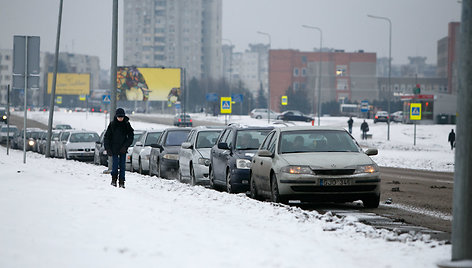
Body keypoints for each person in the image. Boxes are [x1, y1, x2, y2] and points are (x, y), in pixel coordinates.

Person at [104, 108, 134, 188]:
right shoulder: (112, 124)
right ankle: (114, 180)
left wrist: (125, 146)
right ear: (116, 116)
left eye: (122, 117)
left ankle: (122, 182)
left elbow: (131, 136)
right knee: (115, 165)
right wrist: (108, 149)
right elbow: (107, 137)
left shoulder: (126, 124)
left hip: (123, 149)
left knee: (122, 166)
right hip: (114, 149)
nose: (120, 118)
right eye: (119, 117)